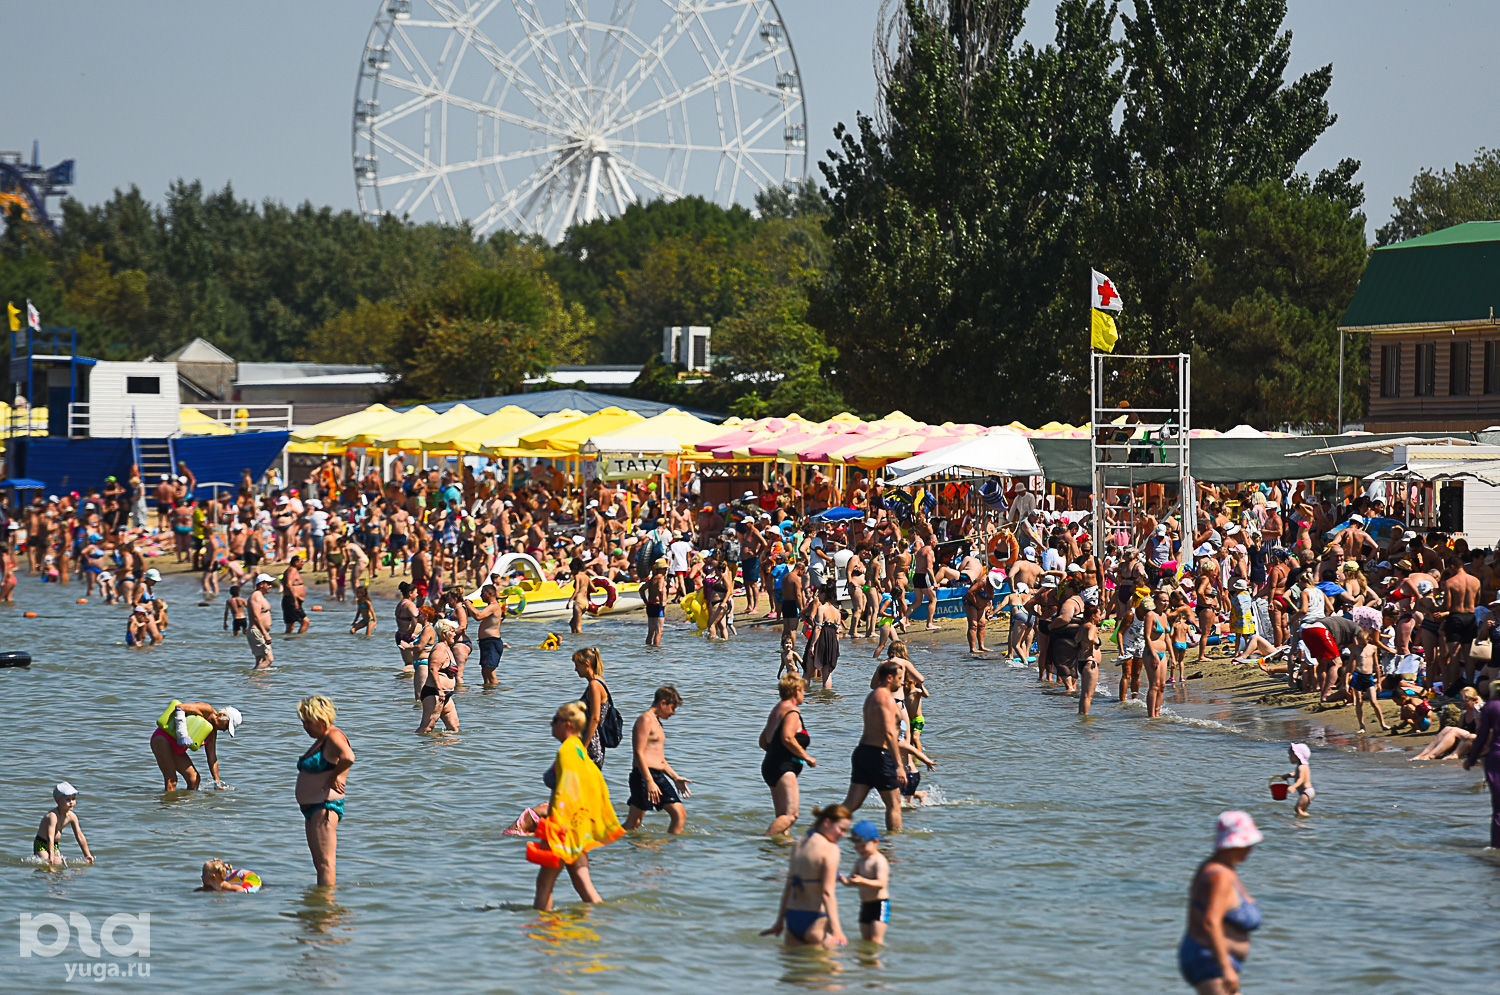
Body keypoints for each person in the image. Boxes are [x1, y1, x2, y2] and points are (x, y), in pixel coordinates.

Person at [527, 701, 625, 910]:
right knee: (583, 884)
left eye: (555, 720)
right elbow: (593, 783)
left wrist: (558, 825)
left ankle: (543, 926)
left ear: (568, 724)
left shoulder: (567, 751)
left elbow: (567, 790)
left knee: (544, 884)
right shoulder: (579, 749)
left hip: (564, 830)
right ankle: (603, 919)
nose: (551, 724)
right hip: (576, 828)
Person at [1180, 810, 1263, 993]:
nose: (1250, 849)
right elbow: (1211, 921)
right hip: (1210, 961)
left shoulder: (1220, 868)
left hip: (1212, 959)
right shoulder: (1219, 876)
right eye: (1246, 844)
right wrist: (1225, 967)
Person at [762, 803, 851, 947]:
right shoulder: (830, 849)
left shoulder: (800, 844)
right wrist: (837, 930)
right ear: (827, 822)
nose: (843, 834)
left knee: (794, 961)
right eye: (841, 829)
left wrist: (779, 922)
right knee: (839, 960)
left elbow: (789, 886)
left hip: (792, 917)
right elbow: (827, 893)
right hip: (815, 920)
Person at [842, 660, 908, 832]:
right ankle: (894, 845)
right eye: (900, 678)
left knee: (851, 804)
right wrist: (899, 766)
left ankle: (821, 829)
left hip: (864, 752)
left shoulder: (872, 696)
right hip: (879, 755)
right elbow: (889, 732)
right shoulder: (885, 698)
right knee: (894, 804)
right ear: (889, 678)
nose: (902, 683)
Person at [295, 695, 354, 887]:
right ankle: (320, 900)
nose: (305, 727)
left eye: (308, 722)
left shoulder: (334, 736)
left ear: (321, 720)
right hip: (312, 808)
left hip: (325, 807)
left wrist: (334, 776)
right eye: (303, 722)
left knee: (326, 864)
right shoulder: (321, 739)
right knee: (319, 864)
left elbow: (348, 757)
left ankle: (327, 904)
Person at [623, 686, 691, 833]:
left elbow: (660, 759)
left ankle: (667, 845)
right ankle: (608, 840)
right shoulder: (645, 720)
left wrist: (675, 777)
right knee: (634, 822)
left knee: (679, 814)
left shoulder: (657, 722)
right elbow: (638, 753)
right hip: (644, 776)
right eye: (672, 708)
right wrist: (649, 781)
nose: (673, 713)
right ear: (663, 703)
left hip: (658, 776)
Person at [760, 674, 817, 835]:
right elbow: (787, 737)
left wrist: (776, 754)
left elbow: (763, 742)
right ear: (796, 690)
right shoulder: (792, 711)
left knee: (782, 818)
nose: (804, 694)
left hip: (771, 766)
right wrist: (806, 757)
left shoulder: (776, 710)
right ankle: (762, 841)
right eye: (803, 690)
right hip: (784, 768)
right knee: (791, 815)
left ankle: (782, 848)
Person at [150, 699, 243, 790]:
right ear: (222, 716)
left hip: (177, 748)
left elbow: (212, 757)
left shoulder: (212, 732)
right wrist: (182, 735)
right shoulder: (207, 710)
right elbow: (180, 708)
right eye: (226, 726)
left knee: (194, 779)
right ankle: (168, 800)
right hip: (162, 739)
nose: (224, 730)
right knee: (171, 780)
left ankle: (185, 800)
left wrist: (217, 783)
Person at [839, 820, 890, 944]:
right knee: (865, 940)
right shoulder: (860, 861)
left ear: (875, 841)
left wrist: (862, 881)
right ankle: (865, 957)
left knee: (875, 940)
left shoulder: (879, 860)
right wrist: (842, 879)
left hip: (879, 904)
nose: (860, 850)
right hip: (865, 904)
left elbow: (881, 884)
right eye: (857, 847)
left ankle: (879, 957)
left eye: (863, 846)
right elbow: (851, 882)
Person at [1463, 686, 1500, 849]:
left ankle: (1496, 847)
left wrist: (1471, 759)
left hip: (1496, 758)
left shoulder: (1491, 706)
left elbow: (1482, 735)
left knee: (1498, 807)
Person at [1411, 686, 1482, 760]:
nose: (1463, 704)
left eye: (1465, 701)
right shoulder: (1464, 714)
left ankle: (1431, 755)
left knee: (1454, 731)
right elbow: (1460, 730)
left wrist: (1477, 718)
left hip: (1476, 741)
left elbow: (1481, 732)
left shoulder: (1480, 712)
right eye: (1461, 701)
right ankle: (1424, 754)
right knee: (1447, 728)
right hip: (1465, 742)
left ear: (1474, 700)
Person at [33, 782, 93, 866]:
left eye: (73, 799)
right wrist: (51, 855)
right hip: (41, 843)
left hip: (54, 844)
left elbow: (79, 836)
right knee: (48, 865)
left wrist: (87, 855)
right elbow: (50, 837)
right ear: (57, 800)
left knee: (59, 864)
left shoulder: (72, 816)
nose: (71, 802)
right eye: (67, 799)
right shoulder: (52, 816)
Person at [417, 619, 461, 734]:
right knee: (427, 727)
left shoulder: (448, 648)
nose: (455, 634)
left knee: (454, 727)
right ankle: (416, 744)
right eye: (452, 631)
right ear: (444, 634)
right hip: (435, 693)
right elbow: (433, 669)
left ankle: (443, 745)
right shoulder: (440, 648)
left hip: (446, 694)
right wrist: (440, 690)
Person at [574, 647, 614, 768]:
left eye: (577, 665)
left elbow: (595, 718)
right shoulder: (599, 680)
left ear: (586, 664)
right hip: (595, 742)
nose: (575, 669)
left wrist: (583, 748)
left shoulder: (594, 685)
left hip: (592, 744)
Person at [471, 583, 505, 686]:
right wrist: (468, 607)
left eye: (482, 593)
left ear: (489, 594)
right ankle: (486, 693)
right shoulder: (491, 607)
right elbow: (476, 616)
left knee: (490, 672)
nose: (481, 596)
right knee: (485, 671)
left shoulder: (494, 606)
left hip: (492, 642)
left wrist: (468, 604)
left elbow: (478, 616)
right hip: (486, 642)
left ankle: (493, 693)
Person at [1274, 743, 1315, 817]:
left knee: (1297, 809)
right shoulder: (1303, 766)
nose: (1289, 757)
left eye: (1290, 755)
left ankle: (1310, 819)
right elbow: (1297, 774)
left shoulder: (1301, 767)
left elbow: (1301, 779)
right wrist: (1289, 775)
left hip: (1306, 792)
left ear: (1297, 756)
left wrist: (1293, 787)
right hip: (1309, 792)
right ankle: (1303, 822)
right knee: (1302, 810)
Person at [247, 572, 275, 669]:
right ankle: (253, 676)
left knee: (261, 660)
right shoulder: (256, 597)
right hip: (257, 631)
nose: (270, 586)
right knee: (269, 659)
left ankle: (256, 678)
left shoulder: (260, 596)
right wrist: (265, 633)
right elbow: (256, 616)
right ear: (261, 584)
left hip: (260, 631)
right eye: (268, 584)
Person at [643, 557, 669, 647]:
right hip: (658, 606)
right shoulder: (661, 578)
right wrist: (662, 602)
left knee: (651, 631)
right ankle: (657, 651)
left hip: (650, 605)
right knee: (659, 631)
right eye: (665, 569)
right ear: (661, 569)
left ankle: (648, 650)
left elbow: (641, 590)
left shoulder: (652, 579)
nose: (666, 570)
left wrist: (646, 601)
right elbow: (660, 589)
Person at [282, 554, 309, 634]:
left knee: (290, 626)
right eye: (301, 562)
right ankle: (299, 639)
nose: (303, 563)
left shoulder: (292, 571)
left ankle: (289, 640)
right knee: (305, 622)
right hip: (291, 600)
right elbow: (288, 584)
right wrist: (295, 600)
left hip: (291, 600)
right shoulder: (291, 570)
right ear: (295, 562)